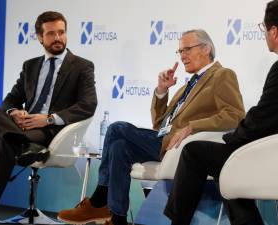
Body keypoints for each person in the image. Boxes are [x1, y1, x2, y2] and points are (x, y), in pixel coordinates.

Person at [163, 0, 278, 225]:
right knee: (226, 163)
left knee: (195, 152)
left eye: (264, 29)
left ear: (274, 31)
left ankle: (177, 222)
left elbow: (260, 121)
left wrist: (230, 139)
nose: (264, 34)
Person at [57, 29, 245, 225]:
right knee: (118, 147)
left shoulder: (222, 75)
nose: (182, 56)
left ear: (206, 48)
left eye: (187, 49)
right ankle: (118, 218)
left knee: (116, 128)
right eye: (180, 51)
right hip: (164, 140)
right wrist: (162, 91)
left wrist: (193, 127)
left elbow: (235, 115)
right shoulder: (186, 85)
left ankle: (99, 199)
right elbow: (160, 124)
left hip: (184, 148)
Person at [0, 11, 97, 225]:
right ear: (40, 37)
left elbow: (88, 105)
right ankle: (23, 144)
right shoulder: (30, 66)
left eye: (61, 32)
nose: (58, 38)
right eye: (51, 34)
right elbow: (11, 100)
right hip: (21, 126)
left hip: (48, 131)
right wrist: (14, 113)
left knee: (7, 141)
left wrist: (48, 119)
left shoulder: (82, 66)